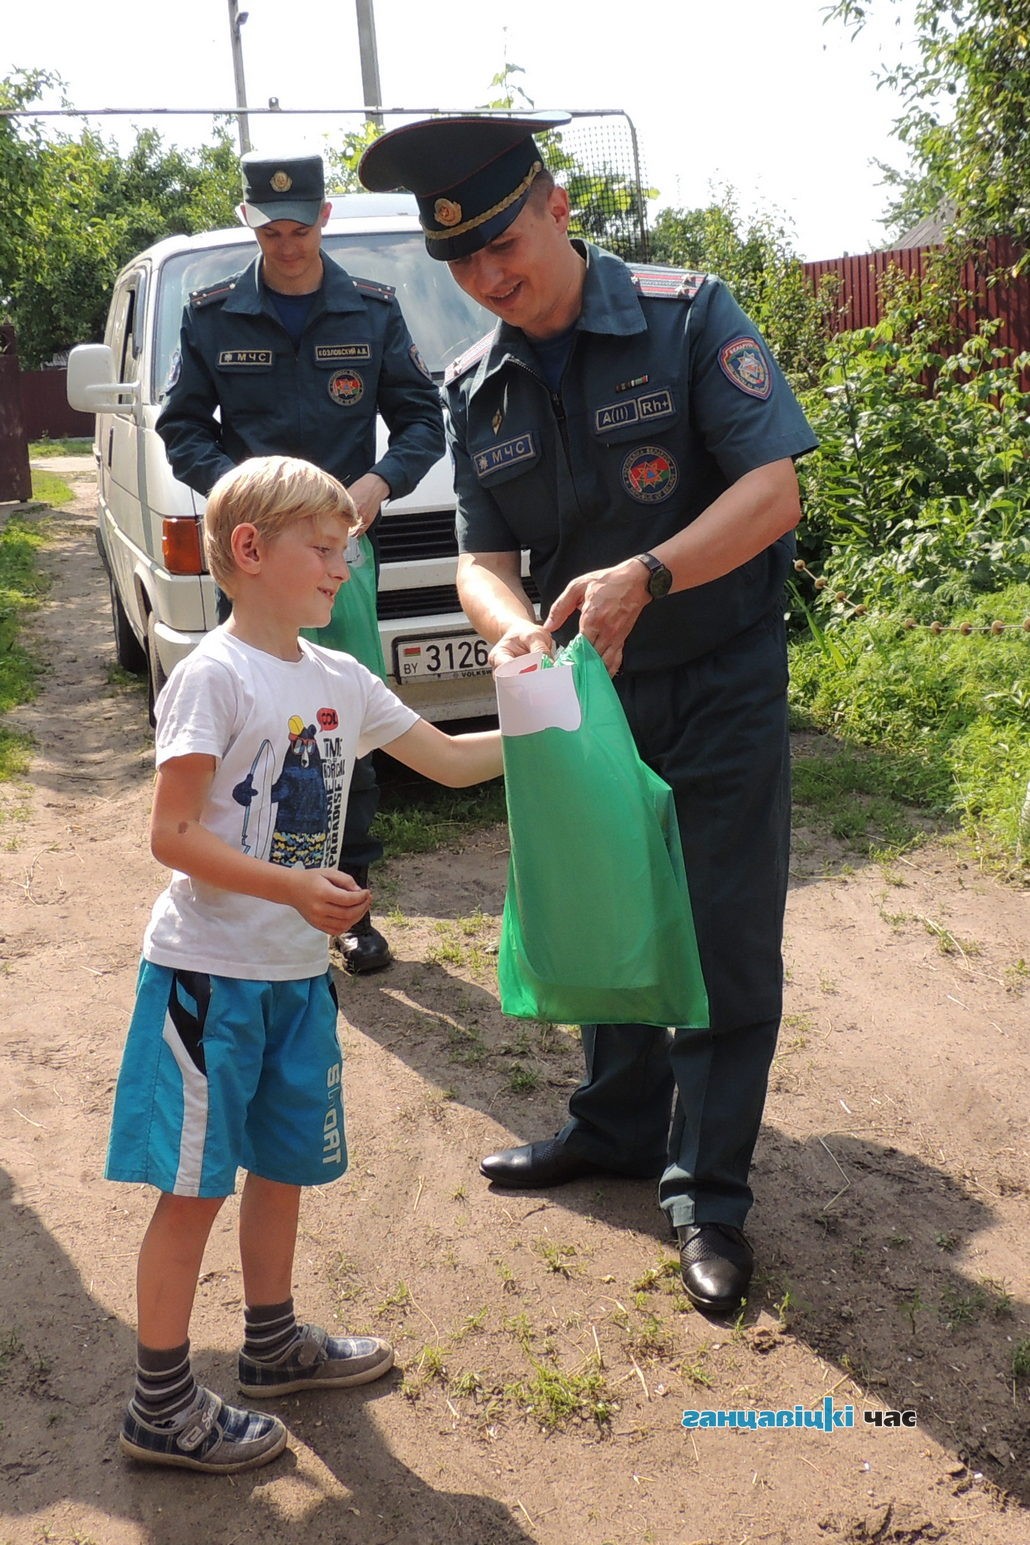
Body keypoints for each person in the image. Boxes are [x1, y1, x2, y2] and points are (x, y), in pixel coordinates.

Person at [360, 115, 819, 1316]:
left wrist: (647, 575)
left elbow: (776, 489)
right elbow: (479, 553)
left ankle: (708, 1194)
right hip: (582, 698)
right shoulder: (475, 381)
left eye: (501, 244)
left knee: (719, 929)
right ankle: (613, 1128)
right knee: (605, 905)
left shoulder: (686, 315)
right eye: (459, 264)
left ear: (557, 207)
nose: (486, 279)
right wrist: (507, 619)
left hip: (715, 671)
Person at [105, 455, 503, 1473]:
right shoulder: (213, 676)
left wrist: (555, 713)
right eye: (324, 551)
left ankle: (274, 1346)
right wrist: (292, 888)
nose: (343, 569)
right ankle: (159, 1406)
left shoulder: (338, 678)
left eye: (347, 552)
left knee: (282, 1167)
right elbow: (174, 833)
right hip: (208, 979)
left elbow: (452, 762)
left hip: (295, 981)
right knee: (195, 1189)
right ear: (249, 550)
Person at [157, 151, 445, 975]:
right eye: (270, 230)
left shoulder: (371, 310)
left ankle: (350, 902)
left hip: (337, 554)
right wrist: (244, 501)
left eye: (300, 228)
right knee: (255, 726)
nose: (286, 245)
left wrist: (376, 486)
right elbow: (183, 428)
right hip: (252, 560)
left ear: (324, 220)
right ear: (253, 224)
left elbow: (422, 421)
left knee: (340, 732)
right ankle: (255, 891)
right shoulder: (213, 316)